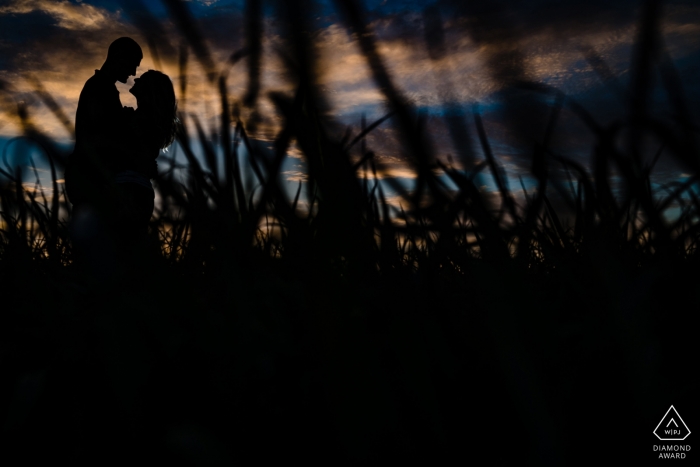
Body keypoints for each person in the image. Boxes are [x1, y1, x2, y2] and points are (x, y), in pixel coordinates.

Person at [64, 37, 143, 285]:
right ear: (118, 57)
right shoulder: (100, 88)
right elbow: (100, 139)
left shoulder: (104, 88)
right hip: (89, 179)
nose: (133, 72)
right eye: (133, 64)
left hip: (89, 177)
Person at [112, 70, 179, 253]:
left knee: (120, 250)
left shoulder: (141, 120)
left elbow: (128, 153)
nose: (136, 77)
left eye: (144, 78)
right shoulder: (144, 119)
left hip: (129, 189)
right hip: (138, 189)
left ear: (150, 89)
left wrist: (124, 122)